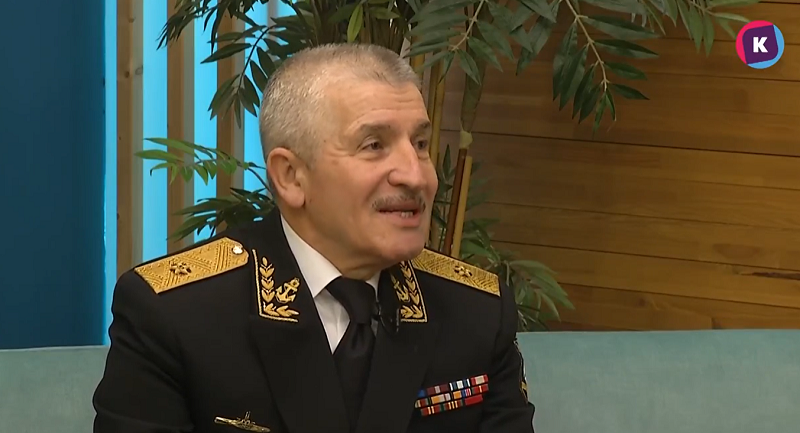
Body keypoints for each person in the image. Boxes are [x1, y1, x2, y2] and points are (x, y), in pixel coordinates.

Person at [93, 42, 535, 433]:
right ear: (290, 176)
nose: (416, 176)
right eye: (374, 145)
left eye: (420, 144)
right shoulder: (175, 314)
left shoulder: (477, 311)